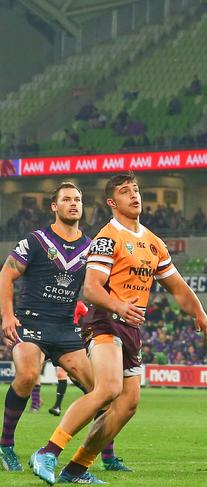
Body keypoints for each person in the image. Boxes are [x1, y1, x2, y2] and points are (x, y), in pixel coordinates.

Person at [31, 172, 207, 484]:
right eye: (125, 191)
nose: (134, 195)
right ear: (112, 202)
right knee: (108, 389)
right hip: (105, 320)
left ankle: (76, 469)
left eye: (136, 189)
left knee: (128, 404)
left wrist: (200, 313)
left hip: (130, 328)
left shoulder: (153, 243)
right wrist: (119, 306)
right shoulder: (107, 237)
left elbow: (178, 287)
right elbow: (91, 288)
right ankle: (47, 451)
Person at [0, 182, 129, 474]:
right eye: (67, 199)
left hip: (65, 329)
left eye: (78, 200)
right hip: (30, 322)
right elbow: (6, 275)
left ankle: (106, 456)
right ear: (54, 207)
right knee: (28, 374)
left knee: (102, 389)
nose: (74, 204)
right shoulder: (35, 241)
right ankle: (6, 445)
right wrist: (7, 317)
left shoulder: (91, 247)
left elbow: (99, 288)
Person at [49, 301, 88, 417]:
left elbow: (89, 315)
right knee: (72, 376)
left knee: (63, 374)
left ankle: (57, 407)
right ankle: (91, 394)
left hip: (71, 340)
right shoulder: (59, 302)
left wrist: (83, 330)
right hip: (58, 339)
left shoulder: (79, 304)